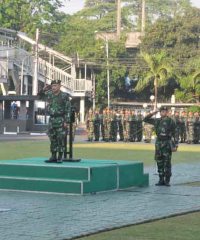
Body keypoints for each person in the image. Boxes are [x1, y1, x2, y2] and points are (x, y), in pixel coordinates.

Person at [38, 79, 71, 163]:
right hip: (52, 120)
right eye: (52, 86)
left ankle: (60, 156)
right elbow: (39, 96)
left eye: (55, 85)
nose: (53, 87)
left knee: (60, 139)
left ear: (60, 86)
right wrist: (44, 89)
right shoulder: (49, 94)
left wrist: (66, 121)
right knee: (52, 139)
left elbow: (68, 109)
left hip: (61, 119)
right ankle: (53, 156)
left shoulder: (64, 96)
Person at [143, 106, 178, 186]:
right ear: (160, 112)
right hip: (158, 143)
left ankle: (167, 180)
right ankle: (161, 179)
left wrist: (176, 145)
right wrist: (153, 112)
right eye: (162, 111)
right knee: (159, 162)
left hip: (167, 143)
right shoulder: (157, 120)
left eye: (165, 111)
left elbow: (176, 133)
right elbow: (145, 119)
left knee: (167, 163)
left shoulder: (171, 121)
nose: (163, 113)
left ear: (167, 112)